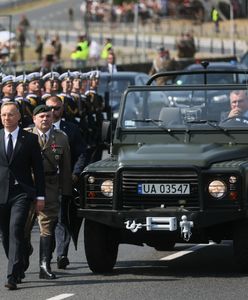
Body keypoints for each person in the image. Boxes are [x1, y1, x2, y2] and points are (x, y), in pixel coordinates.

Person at [0, 101, 45, 290]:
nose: (6, 118)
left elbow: (38, 170)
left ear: (19, 116)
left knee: (16, 229)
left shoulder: (30, 139)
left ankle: (11, 276)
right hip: (1, 193)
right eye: (3, 115)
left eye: (10, 114)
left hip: (21, 193)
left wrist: (40, 196)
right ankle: (21, 259)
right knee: (5, 235)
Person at [25, 104, 72, 279]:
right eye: (41, 116)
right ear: (34, 119)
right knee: (23, 227)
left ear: (52, 119)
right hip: (28, 186)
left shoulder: (61, 138)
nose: (45, 119)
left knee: (47, 227)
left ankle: (44, 266)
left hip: (50, 186)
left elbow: (66, 167)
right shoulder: (26, 135)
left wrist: (66, 193)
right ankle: (24, 253)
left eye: (48, 116)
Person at [45, 96, 86, 269]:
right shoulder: (37, 129)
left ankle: (62, 254)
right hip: (43, 182)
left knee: (62, 218)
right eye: (50, 108)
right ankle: (47, 251)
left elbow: (82, 153)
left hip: (63, 181)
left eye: (57, 108)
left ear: (63, 109)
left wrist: (76, 174)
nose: (53, 112)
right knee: (47, 220)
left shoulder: (71, 129)